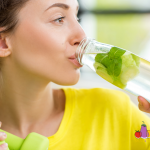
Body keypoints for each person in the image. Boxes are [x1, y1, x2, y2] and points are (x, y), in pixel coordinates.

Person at [0, 0, 150, 150]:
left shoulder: (113, 112)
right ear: (3, 43)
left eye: (76, 17)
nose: (82, 35)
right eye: (59, 19)